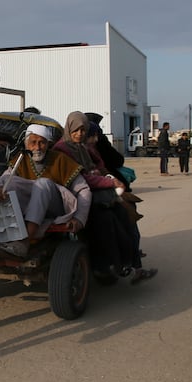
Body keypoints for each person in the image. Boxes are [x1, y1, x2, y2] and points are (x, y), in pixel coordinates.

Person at [54, 112, 157, 283]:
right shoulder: (63, 149)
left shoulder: (81, 147)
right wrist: (108, 181)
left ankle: (131, 266)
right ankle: (113, 266)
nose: (79, 134)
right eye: (76, 130)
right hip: (76, 197)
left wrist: (104, 175)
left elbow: (98, 166)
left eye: (82, 130)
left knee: (123, 215)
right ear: (69, 128)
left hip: (94, 194)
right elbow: (79, 178)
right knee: (107, 220)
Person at [0, 124, 91, 258]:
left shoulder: (60, 159)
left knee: (42, 184)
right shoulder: (21, 160)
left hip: (56, 209)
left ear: (48, 144)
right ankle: (6, 238)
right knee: (9, 183)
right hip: (30, 208)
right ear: (27, 145)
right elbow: (3, 179)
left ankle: (24, 242)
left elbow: (84, 190)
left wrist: (79, 218)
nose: (37, 147)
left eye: (42, 143)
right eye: (33, 142)